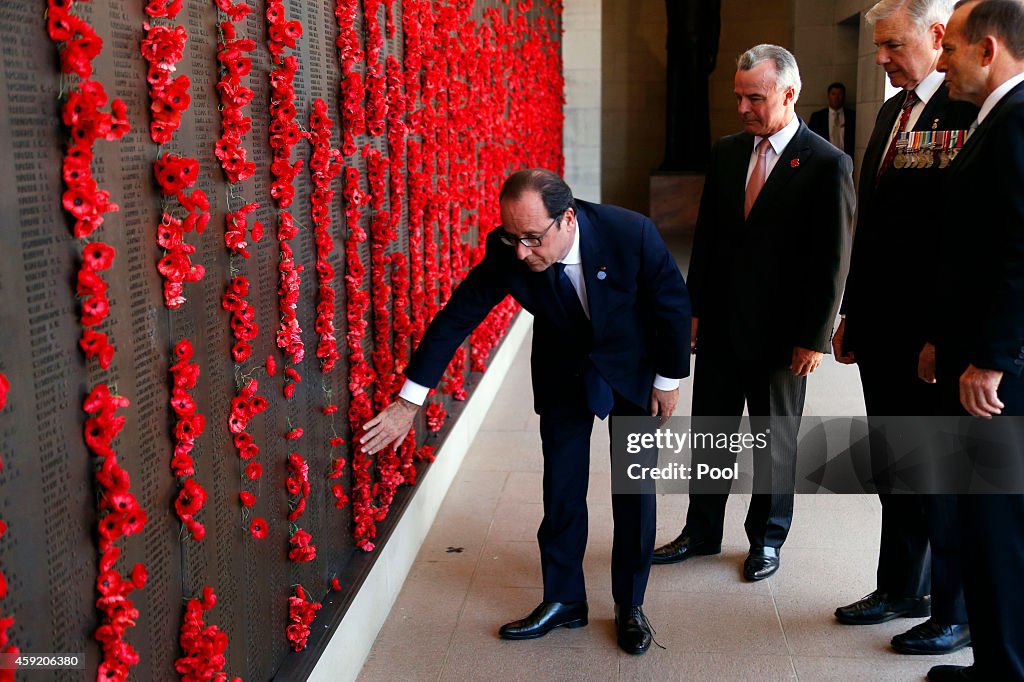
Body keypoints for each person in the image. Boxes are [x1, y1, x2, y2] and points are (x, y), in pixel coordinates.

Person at [360, 169, 692, 656]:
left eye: (533, 238)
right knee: (561, 491)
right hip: (564, 374)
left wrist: (668, 379)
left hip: (631, 368)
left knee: (634, 490)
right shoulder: (509, 251)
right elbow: (457, 317)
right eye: (512, 236)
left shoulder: (630, 233)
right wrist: (409, 402)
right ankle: (563, 600)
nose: (520, 251)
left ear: (568, 220)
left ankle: (631, 605)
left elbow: (672, 304)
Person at [652, 44, 855, 581]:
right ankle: (700, 531)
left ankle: (767, 539)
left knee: (773, 443)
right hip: (720, 325)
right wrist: (693, 312)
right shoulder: (725, 152)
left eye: (755, 97)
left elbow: (833, 259)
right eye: (738, 96)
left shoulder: (827, 164)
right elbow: (710, 240)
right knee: (712, 433)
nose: (743, 107)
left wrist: (815, 336)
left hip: (784, 335)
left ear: (789, 94)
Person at [831, 0, 976, 657]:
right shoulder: (892, 111)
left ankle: (955, 609)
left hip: (929, 340)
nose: (882, 59)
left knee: (939, 473)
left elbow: (960, 242)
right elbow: (876, 228)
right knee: (896, 464)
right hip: (882, 329)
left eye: (892, 45)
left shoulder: (968, 109)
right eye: (878, 47)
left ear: (936, 34)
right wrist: (851, 312)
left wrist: (943, 333)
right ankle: (899, 588)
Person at [926, 1, 1024, 679]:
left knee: (996, 532)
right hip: (976, 352)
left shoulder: (1016, 121)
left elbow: (1021, 254)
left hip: (998, 375)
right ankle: (997, 660)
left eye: (952, 48)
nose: (942, 61)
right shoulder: (998, 118)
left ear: (988, 49)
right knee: (987, 525)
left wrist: (989, 357)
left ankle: (1005, 670)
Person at [808, 82, 857, 154]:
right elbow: (811, 140)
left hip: (846, 158)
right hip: (824, 158)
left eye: (839, 94)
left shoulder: (852, 116)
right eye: (833, 94)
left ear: (844, 96)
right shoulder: (817, 117)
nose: (836, 98)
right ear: (828, 96)